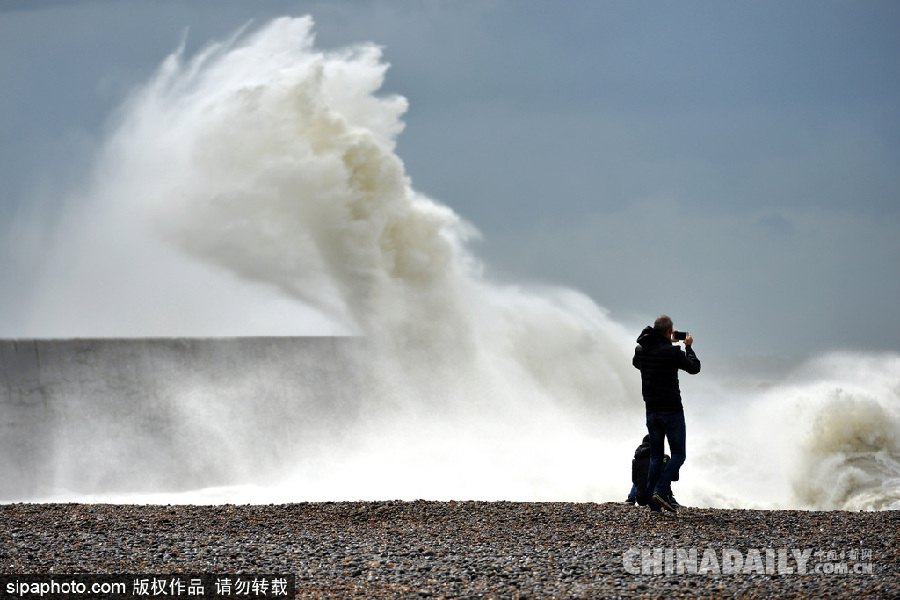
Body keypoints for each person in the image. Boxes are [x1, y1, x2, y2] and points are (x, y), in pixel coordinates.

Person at [632, 315, 700, 513]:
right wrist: (688, 347)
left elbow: (638, 363)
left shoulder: (641, 350)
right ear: (670, 331)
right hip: (671, 410)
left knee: (655, 457)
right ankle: (661, 490)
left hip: (651, 411)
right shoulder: (672, 352)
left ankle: (653, 502)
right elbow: (694, 368)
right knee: (678, 455)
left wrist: (661, 342)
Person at [624, 434, 678, 507]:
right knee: (663, 477)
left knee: (638, 479)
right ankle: (672, 501)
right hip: (660, 498)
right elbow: (675, 478)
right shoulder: (665, 458)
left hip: (642, 499)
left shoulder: (636, 460)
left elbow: (634, 480)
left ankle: (631, 499)